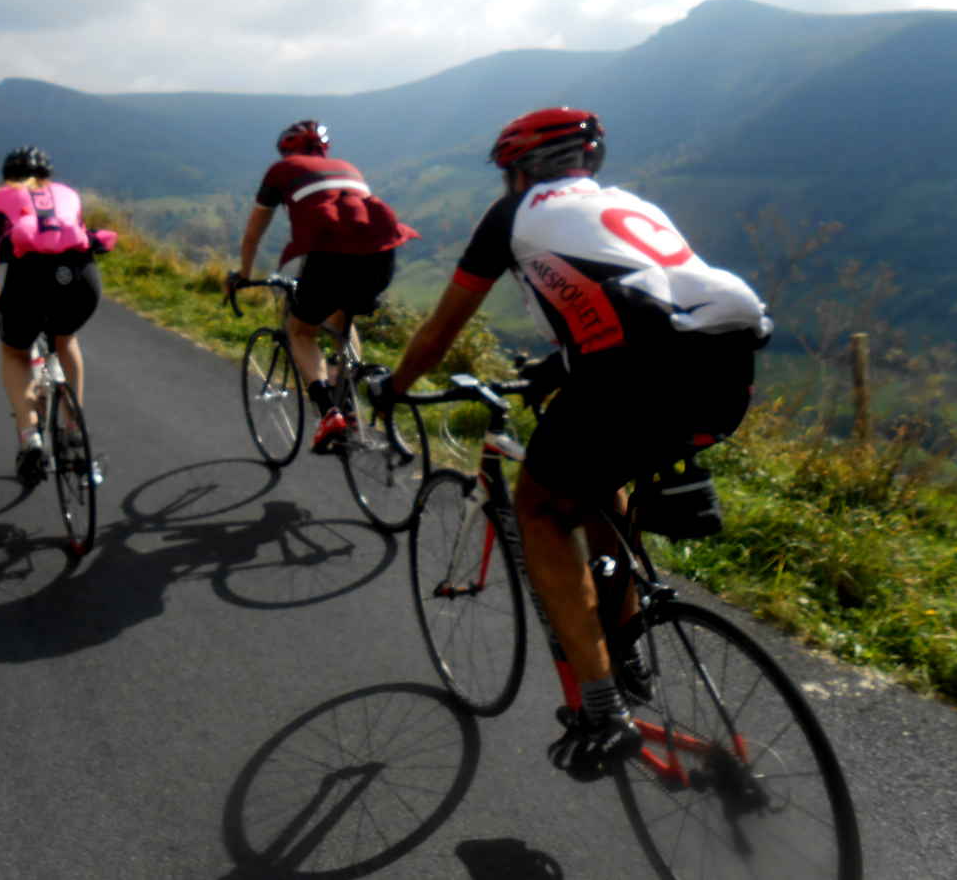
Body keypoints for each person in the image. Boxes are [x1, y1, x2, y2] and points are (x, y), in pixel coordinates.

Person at [371, 107, 771, 778]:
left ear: (519, 170)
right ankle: (628, 646)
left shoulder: (514, 214)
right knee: (596, 486)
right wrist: (559, 367)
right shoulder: (629, 205)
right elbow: (638, 297)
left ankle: (603, 712)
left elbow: (440, 331)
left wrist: (393, 387)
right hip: (727, 373)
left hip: (632, 379)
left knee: (540, 508)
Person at [226, 119, 418, 452]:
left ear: (287, 150)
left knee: (300, 331)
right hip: (383, 254)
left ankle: (329, 411)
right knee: (343, 318)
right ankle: (348, 397)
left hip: (330, 255)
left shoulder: (281, 170)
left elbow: (253, 234)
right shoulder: (347, 168)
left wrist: (243, 273)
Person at [0, 145, 111, 487]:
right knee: (66, 339)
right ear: (48, 175)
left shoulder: (1, 197)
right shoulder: (68, 194)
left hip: (29, 280)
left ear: (8, 175)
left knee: (14, 352)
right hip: (82, 279)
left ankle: (30, 437)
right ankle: (74, 427)